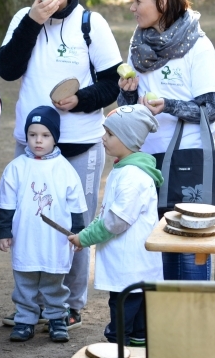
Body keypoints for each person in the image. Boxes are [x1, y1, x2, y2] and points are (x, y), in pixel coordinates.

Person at [0, 0, 122, 328]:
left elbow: (112, 84)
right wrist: (33, 23)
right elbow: (6, 69)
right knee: (30, 222)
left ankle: (69, 305)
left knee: (74, 227)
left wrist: (81, 99)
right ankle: (30, 307)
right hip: (31, 144)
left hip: (79, 144)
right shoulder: (23, 18)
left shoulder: (91, 24)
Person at [117, 0, 215, 281]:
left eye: (137, 1)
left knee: (188, 247)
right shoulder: (139, 49)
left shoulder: (198, 47)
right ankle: (169, 327)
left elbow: (211, 108)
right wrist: (127, 94)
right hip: (149, 161)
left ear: (161, 2)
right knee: (160, 245)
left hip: (189, 159)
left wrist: (169, 106)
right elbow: (129, 112)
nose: (131, 7)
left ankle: (194, 327)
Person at [69, 104, 164, 347]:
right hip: (136, 269)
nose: (103, 138)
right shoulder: (126, 169)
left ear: (128, 139)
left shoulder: (132, 176)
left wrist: (85, 237)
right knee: (140, 331)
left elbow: (116, 220)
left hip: (129, 269)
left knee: (119, 332)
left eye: (110, 134)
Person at [0, 106, 87, 343]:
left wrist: (78, 233)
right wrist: (4, 231)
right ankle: (25, 320)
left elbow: (77, 205)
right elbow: (6, 203)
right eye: (33, 134)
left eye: (45, 135)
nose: (38, 140)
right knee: (24, 281)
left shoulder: (64, 169)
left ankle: (57, 318)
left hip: (55, 240)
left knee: (54, 281)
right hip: (25, 236)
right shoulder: (16, 167)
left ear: (55, 137)